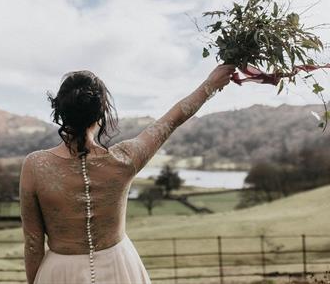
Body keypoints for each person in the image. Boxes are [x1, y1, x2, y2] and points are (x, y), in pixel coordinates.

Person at [19, 64, 236, 284]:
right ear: (100, 114)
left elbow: (33, 243)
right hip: (120, 267)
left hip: (59, 273)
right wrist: (211, 84)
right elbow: (172, 120)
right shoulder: (125, 159)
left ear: (61, 111)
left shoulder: (35, 166)